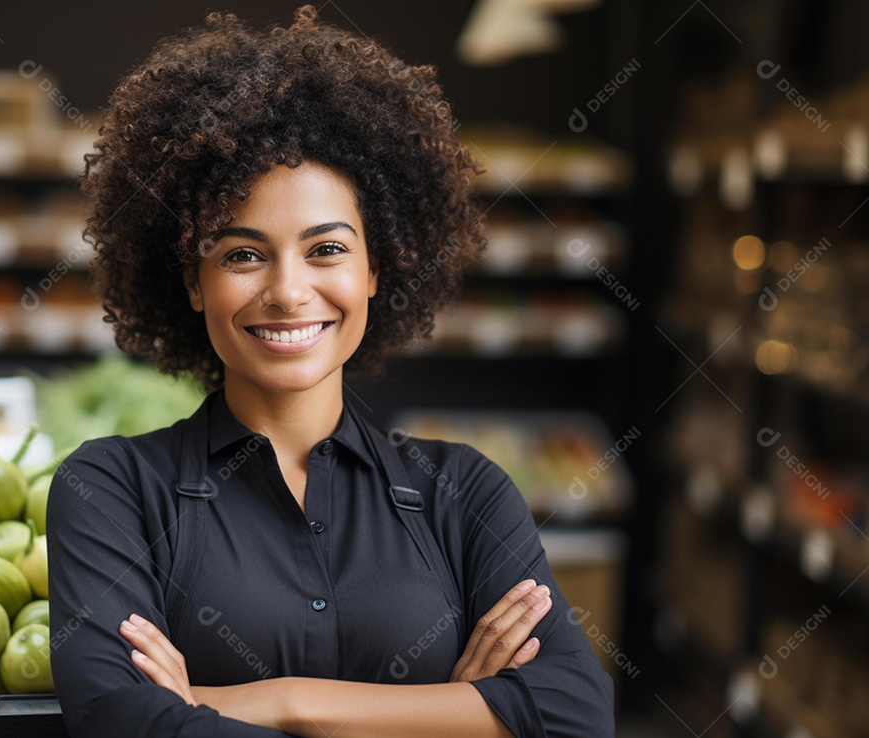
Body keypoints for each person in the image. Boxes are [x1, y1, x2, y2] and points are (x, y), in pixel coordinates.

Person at [47, 5, 614, 737]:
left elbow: (576, 713)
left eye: (327, 249)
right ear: (192, 282)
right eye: (243, 254)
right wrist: (450, 716)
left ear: (377, 268)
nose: (287, 291)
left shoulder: (464, 494)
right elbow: (122, 720)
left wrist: (272, 703)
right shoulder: (111, 491)